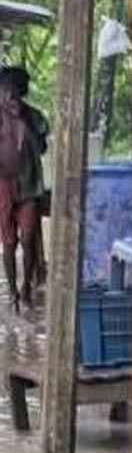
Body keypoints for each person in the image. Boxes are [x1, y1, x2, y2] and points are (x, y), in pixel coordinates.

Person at [0, 68, 48, 309]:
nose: (11, 97)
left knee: (28, 237)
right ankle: (12, 292)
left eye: (15, 92)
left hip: (28, 185)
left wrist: (25, 124)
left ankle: (27, 285)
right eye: (6, 91)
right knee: (8, 241)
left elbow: (42, 146)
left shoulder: (32, 117)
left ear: (21, 93)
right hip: (3, 187)